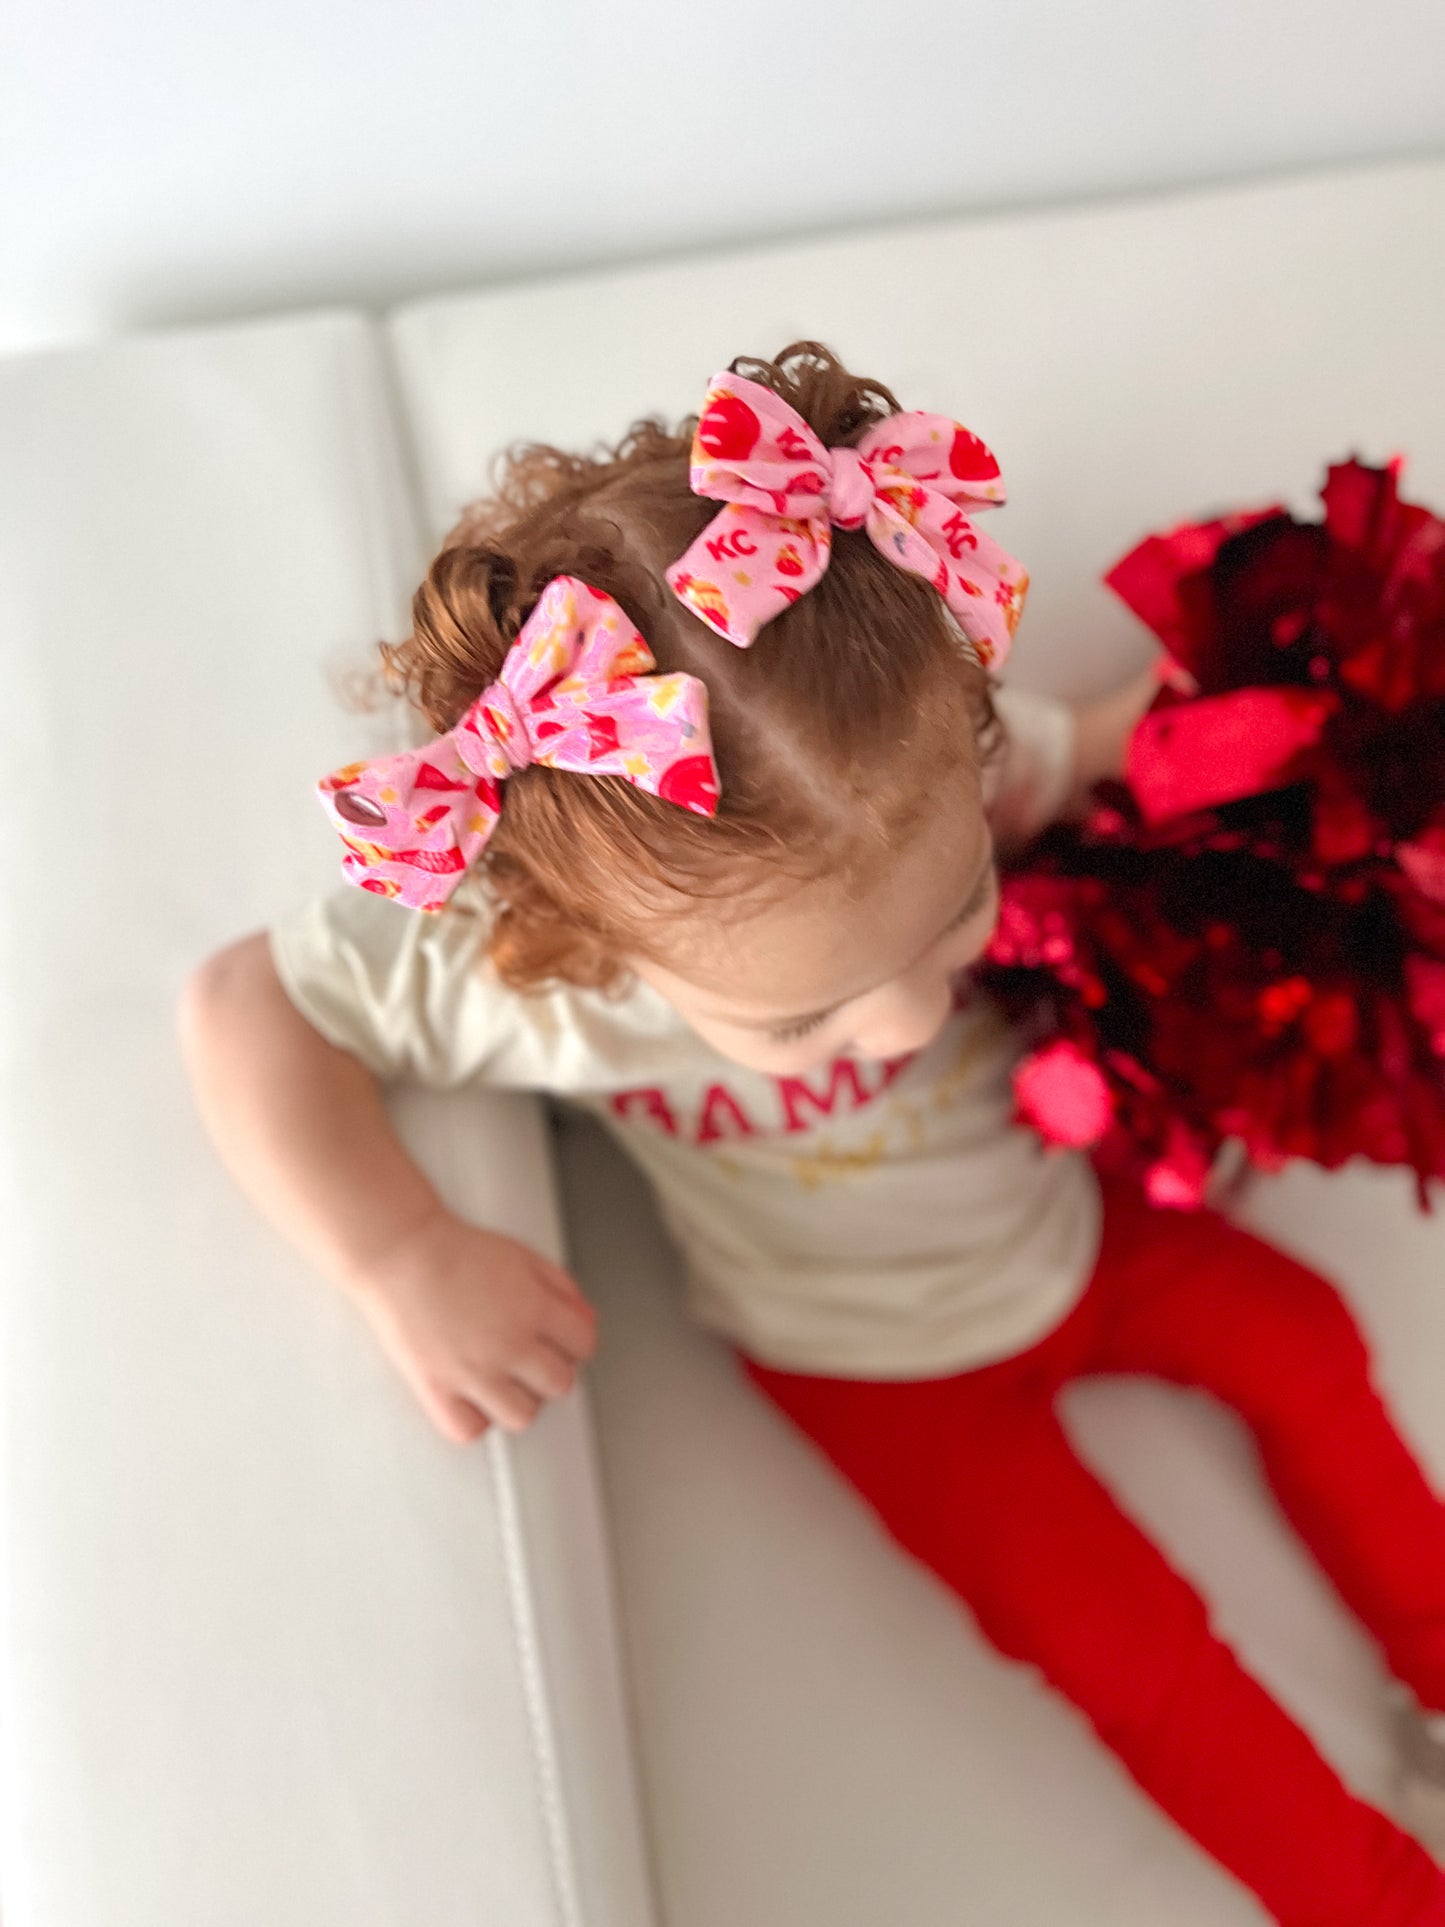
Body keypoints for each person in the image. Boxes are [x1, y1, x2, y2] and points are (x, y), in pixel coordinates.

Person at [180, 342, 1445, 1923]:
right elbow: (245, 1003)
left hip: (1076, 1224)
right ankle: (1378, 1899)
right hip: (880, 1368)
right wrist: (400, 1249)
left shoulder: (913, 778)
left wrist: (1303, 721)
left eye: (954, 919)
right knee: (1136, 1662)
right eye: (802, 1020)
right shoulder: (546, 983)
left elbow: (1099, 749)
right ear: (588, 935)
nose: (911, 1022)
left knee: (1304, 1337)